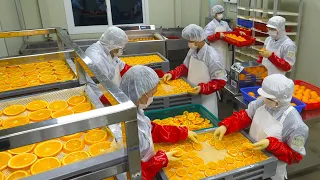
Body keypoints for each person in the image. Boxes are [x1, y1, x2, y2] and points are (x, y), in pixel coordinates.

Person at [214, 74, 309, 180]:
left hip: (271, 173)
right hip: (249, 162)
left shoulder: (296, 125)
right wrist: (226, 125)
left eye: (267, 97)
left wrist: (271, 144)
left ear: (278, 101)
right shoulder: (263, 103)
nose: (264, 99)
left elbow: (295, 156)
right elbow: (245, 116)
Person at [119, 65, 198, 180]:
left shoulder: (136, 111)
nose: (152, 98)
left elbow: (152, 130)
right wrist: (161, 159)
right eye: (151, 94)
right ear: (140, 94)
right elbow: (135, 174)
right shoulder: (127, 128)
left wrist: (182, 132)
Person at [163, 24, 227, 117]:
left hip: (206, 98)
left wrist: (202, 88)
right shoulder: (193, 50)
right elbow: (185, 67)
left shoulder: (212, 57)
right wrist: (172, 74)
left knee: (204, 121)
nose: (189, 44)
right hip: (191, 95)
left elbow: (220, 81)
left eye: (190, 41)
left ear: (199, 39)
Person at [85, 26, 131, 104]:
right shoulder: (97, 60)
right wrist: (125, 97)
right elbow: (99, 93)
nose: (121, 51)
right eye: (120, 48)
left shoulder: (109, 51)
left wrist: (139, 72)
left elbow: (120, 65)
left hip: (110, 89)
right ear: (112, 46)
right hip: (100, 100)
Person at [204, 5, 233, 69]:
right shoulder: (211, 25)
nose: (221, 15)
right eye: (219, 13)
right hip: (215, 50)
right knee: (217, 69)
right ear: (214, 14)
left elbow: (230, 33)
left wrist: (238, 32)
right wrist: (217, 36)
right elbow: (207, 38)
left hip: (225, 49)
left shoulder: (225, 23)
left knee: (225, 67)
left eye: (221, 13)